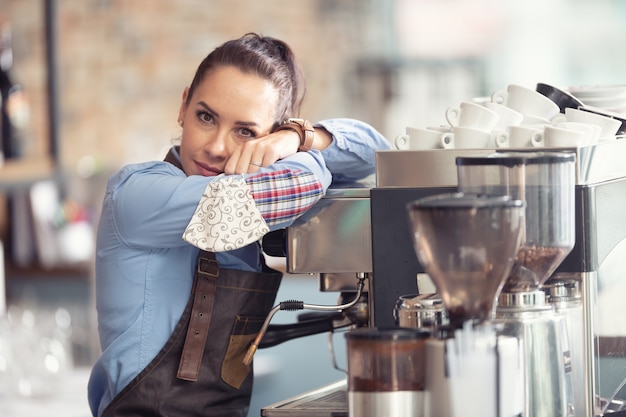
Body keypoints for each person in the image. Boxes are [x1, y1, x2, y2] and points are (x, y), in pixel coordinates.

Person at [87, 32, 391, 417]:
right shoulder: (137, 193)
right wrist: (299, 145)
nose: (216, 146)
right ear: (183, 106)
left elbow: (378, 154)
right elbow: (297, 186)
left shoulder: (255, 185)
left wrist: (295, 138)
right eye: (206, 116)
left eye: (245, 132)